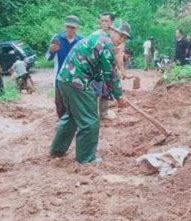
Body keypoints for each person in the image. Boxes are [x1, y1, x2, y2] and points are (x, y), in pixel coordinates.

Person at [49, 21, 131, 163]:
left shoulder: (97, 36)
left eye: (125, 38)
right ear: (112, 30)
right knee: (90, 121)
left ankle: (57, 150)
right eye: (121, 36)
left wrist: (113, 92)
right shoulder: (107, 44)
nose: (122, 40)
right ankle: (86, 159)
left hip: (64, 78)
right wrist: (119, 96)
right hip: (78, 81)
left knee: (72, 116)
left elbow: (98, 70)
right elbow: (110, 74)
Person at [46, 15, 82, 118]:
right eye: (68, 27)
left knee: (75, 104)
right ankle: (62, 124)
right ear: (65, 26)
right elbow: (48, 57)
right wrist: (51, 50)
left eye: (73, 27)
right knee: (60, 104)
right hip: (60, 76)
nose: (70, 30)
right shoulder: (57, 38)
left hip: (76, 78)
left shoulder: (80, 41)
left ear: (77, 28)